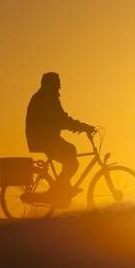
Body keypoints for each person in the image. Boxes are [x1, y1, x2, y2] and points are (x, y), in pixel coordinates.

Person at [25, 72, 95, 205]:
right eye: (57, 83)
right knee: (72, 162)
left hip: (44, 138)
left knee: (70, 151)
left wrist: (80, 127)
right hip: (43, 139)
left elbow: (61, 118)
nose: (60, 86)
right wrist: (83, 127)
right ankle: (55, 192)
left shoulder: (46, 97)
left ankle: (62, 190)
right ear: (51, 84)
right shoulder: (46, 98)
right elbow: (61, 119)